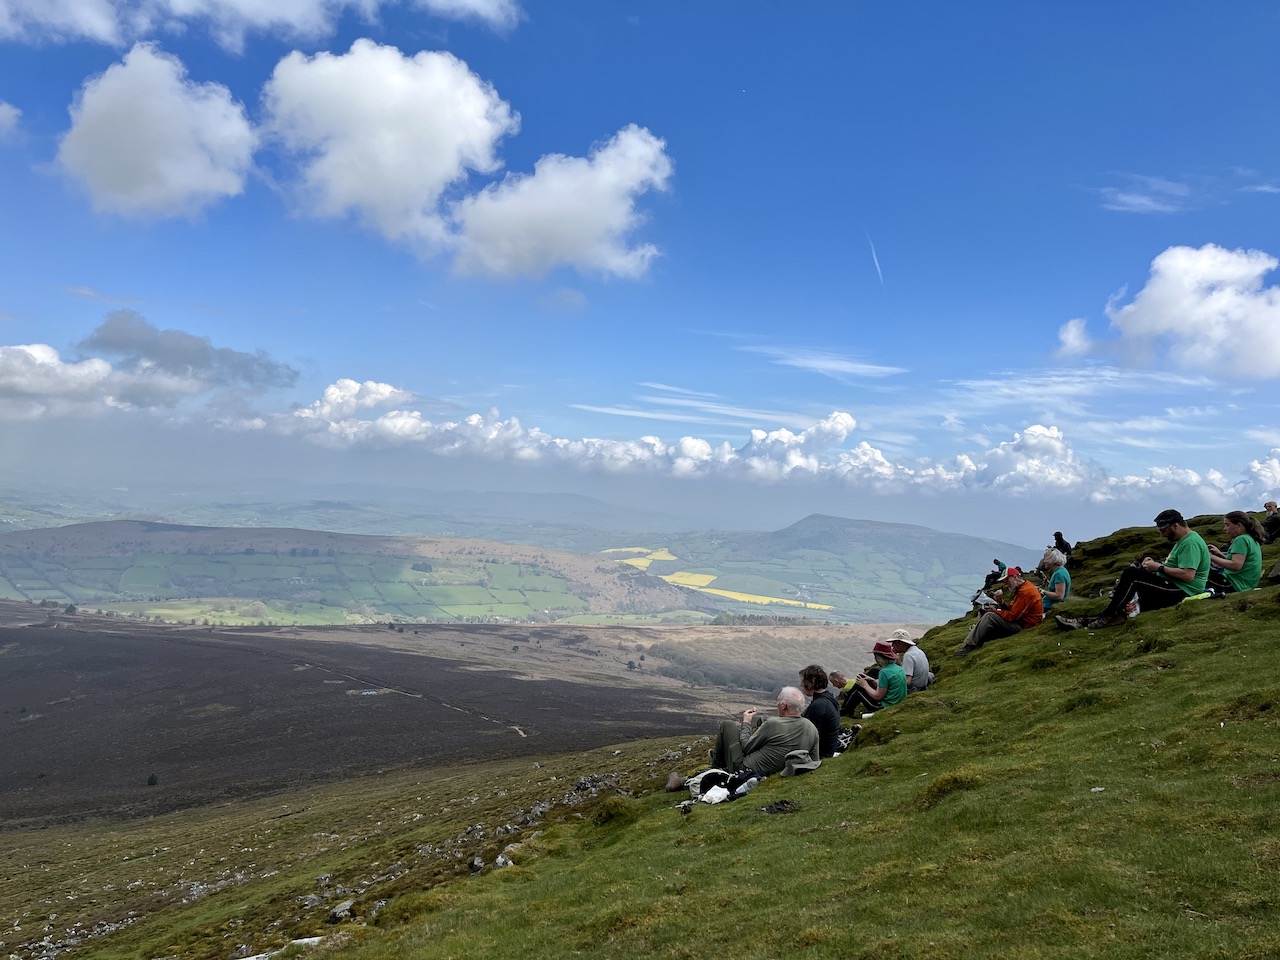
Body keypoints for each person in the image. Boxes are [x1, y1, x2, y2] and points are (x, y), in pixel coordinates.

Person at [1056, 509, 1211, 631]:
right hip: (1174, 586)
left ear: (1175, 526)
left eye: (1163, 530)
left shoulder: (1190, 543)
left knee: (1132, 575)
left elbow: (1188, 575)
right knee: (1133, 576)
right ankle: (1087, 620)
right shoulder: (1183, 541)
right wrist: (1152, 566)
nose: (1162, 535)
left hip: (1183, 591)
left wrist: (1159, 567)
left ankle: (1109, 617)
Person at [709, 686, 819, 777]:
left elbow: (746, 747)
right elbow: (814, 760)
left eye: (778, 700)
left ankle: (715, 771)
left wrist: (746, 723)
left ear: (783, 706)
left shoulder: (773, 724)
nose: (777, 704)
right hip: (778, 770)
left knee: (728, 725)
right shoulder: (812, 727)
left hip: (746, 770)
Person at [955, 566, 1043, 655]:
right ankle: (978, 638)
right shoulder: (1022, 588)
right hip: (1022, 622)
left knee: (989, 616)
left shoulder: (1026, 592)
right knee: (991, 624)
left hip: (1025, 625)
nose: (1006, 583)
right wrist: (1001, 603)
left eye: (1007, 580)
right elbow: (1014, 611)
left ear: (1015, 577)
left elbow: (1013, 616)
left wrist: (995, 611)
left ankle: (969, 645)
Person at [1207, 510, 1265, 594]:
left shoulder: (1241, 539)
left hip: (1233, 584)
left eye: (1227, 525)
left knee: (1198, 572)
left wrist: (1209, 556)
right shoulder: (1251, 539)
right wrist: (1219, 554)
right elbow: (1240, 561)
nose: (1225, 529)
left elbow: (1236, 565)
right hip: (1244, 585)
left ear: (1238, 525)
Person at [841, 641, 907, 714]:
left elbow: (878, 696)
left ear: (880, 657)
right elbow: (890, 686)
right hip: (897, 704)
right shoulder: (898, 668)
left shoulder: (884, 672)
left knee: (858, 689)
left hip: (884, 707)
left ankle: (845, 712)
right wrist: (874, 682)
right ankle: (846, 710)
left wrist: (864, 685)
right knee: (863, 680)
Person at [798, 664, 841, 758]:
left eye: (803, 681)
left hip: (820, 754)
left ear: (810, 684)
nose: (801, 685)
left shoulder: (819, 705)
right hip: (827, 750)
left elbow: (807, 735)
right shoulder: (828, 699)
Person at [1037, 548, 1071, 612]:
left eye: (1046, 559)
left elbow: (1059, 596)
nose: (1044, 561)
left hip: (1049, 607)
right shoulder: (1061, 570)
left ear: (1051, 560)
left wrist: (1042, 591)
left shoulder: (1059, 574)